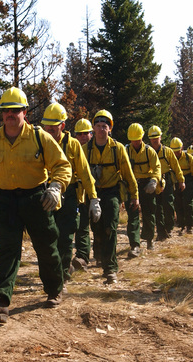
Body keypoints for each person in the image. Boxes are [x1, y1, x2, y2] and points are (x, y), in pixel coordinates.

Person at [0, 87, 71, 323]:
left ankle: (54, 290)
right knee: (8, 250)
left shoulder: (40, 137)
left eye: (15, 110)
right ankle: (0, 302)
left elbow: (62, 165)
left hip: (36, 200)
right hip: (5, 201)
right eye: (6, 110)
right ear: (1, 114)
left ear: (25, 112)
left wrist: (56, 187)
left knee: (46, 247)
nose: (10, 114)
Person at [40, 103, 101, 283]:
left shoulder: (73, 145)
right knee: (48, 237)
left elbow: (85, 173)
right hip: (45, 195)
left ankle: (63, 275)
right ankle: (53, 272)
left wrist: (94, 199)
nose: (49, 131)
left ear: (63, 126)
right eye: (47, 127)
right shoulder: (39, 141)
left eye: (54, 128)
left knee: (66, 237)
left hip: (68, 195)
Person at [83, 110, 138, 284]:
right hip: (93, 194)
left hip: (112, 192)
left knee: (111, 228)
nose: (101, 130)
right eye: (98, 126)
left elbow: (128, 175)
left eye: (104, 126)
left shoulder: (118, 148)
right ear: (93, 128)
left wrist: (135, 196)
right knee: (97, 228)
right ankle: (99, 255)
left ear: (110, 129)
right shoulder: (86, 150)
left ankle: (111, 269)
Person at [125, 123, 161, 257]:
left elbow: (157, 167)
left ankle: (149, 239)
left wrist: (154, 181)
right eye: (132, 140)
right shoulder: (126, 150)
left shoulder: (148, 151)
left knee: (149, 213)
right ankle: (134, 245)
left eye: (137, 139)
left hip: (147, 185)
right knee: (132, 216)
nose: (135, 142)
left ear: (142, 138)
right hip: (132, 185)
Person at [148, 126, 185, 242]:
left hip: (166, 180)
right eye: (152, 138)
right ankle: (160, 232)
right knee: (157, 207)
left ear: (160, 137)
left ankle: (169, 228)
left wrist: (181, 180)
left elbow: (176, 167)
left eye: (156, 137)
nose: (155, 140)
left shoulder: (167, 151)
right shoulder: (147, 152)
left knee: (168, 205)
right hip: (153, 181)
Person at [72, 119, 95, 272]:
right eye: (79, 134)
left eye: (85, 133)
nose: (82, 137)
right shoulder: (71, 148)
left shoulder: (97, 148)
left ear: (91, 134)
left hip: (95, 192)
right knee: (81, 226)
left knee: (98, 227)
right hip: (77, 193)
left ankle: (101, 255)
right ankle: (82, 257)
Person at [172, 138, 193, 234]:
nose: (176, 153)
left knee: (188, 204)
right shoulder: (171, 158)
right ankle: (182, 225)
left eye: (177, 150)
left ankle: (190, 225)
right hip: (176, 181)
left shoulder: (189, 158)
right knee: (178, 204)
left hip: (188, 181)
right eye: (174, 151)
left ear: (182, 148)